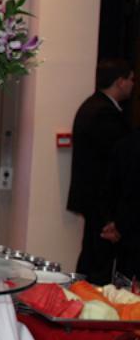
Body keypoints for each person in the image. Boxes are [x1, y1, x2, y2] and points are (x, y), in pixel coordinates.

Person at [67, 58, 134, 285]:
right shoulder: (104, 114)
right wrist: (111, 215)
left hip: (93, 199)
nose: (133, 85)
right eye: (131, 79)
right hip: (100, 202)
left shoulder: (92, 106)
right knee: (98, 264)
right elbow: (110, 167)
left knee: (92, 257)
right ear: (120, 81)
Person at [101, 128, 140, 281]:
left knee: (126, 288)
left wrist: (113, 222)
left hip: (127, 235)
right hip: (128, 234)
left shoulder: (125, 144)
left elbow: (110, 191)